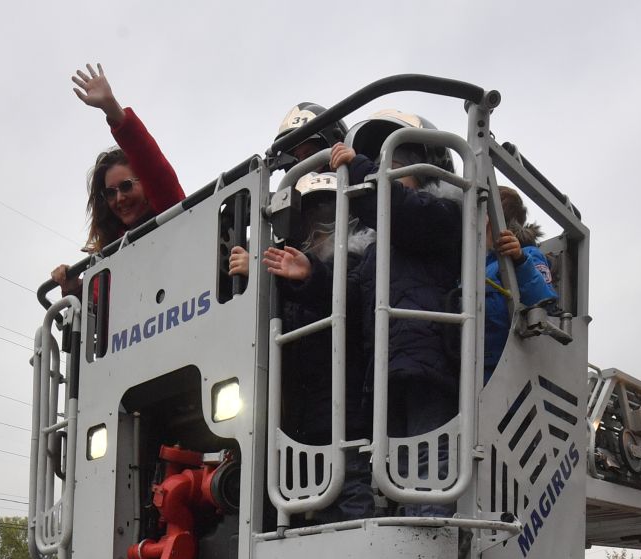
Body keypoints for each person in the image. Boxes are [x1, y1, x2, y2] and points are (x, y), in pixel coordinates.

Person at [328, 119, 464, 515]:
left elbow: (398, 210)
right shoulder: (373, 248)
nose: (389, 172)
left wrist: (360, 169)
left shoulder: (444, 213)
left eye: (398, 162)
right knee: (399, 469)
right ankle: (412, 546)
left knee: (429, 464)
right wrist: (304, 276)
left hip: (429, 362)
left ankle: (431, 542)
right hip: (388, 367)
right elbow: (345, 296)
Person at [228, 172, 376, 520]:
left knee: (352, 493)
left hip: (349, 412)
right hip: (303, 418)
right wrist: (257, 276)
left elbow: (350, 298)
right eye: (310, 217)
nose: (319, 227)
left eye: (328, 213)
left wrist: (309, 275)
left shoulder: (362, 258)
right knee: (315, 504)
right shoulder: (296, 271)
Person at [50, 63, 185, 293]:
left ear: (144, 181)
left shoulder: (171, 212)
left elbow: (150, 161)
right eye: (110, 193)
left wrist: (111, 108)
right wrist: (74, 288)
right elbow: (100, 312)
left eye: (125, 186)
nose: (119, 198)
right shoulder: (107, 258)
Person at [482, 187, 558, 382]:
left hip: (510, 370)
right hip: (474, 365)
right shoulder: (474, 263)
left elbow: (543, 300)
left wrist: (520, 260)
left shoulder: (528, 255)